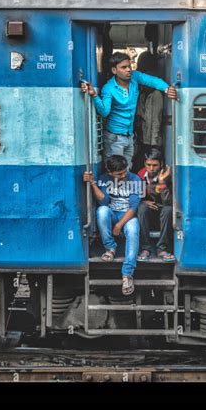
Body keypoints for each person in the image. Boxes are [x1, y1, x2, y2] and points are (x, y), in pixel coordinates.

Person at [81, 52, 177, 168]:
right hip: (114, 138)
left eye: (129, 66)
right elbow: (104, 112)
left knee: (127, 170)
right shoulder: (109, 88)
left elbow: (152, 80)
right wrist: (95, 96)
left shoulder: (135, 78)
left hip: (129, 136)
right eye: (124, 67)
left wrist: (167, 89)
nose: (128, 70)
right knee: (115, 172)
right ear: (114, 70)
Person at [83, 155, 142, 295]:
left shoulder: (135, 180)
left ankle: (127, 274)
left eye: (124, 171)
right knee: (102, 211)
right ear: (110, 173)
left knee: (133, 229)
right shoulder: (104, 179)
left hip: (127, 216)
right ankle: (110, 248)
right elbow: (103, 202)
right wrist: (92, 183)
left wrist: (119, 225)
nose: (123, 175)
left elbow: (133, 208)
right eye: (119, 174)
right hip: (112, 213)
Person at [137, 149, 175, 262]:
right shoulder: (139, 176)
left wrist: (162, 182)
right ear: (144, 163)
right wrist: (142, 201)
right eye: (148, 165)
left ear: (161, 164)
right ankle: (145, 248)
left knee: (168, 210)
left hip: (163, 213)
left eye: (155, 165)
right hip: (148, 214)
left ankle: (162, 249)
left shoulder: (167, 176)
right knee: (141, 208)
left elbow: (168, 202)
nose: (151, 168)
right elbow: (132, 197)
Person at [134, 52, 165, 168]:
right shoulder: (143, 95)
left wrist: (153, 144)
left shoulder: (156, 95)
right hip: (144, 138)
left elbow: (156, 120)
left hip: (152, 141)